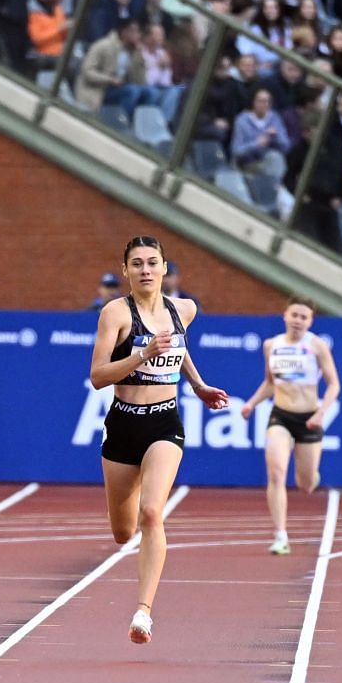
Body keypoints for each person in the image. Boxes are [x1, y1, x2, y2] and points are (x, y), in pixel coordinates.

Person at [89, 236, 230, 644]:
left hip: (164, 423)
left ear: (165, 268)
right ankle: (131, 521)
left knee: (153, 512)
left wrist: (199, 385)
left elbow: (178, 348)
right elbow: (98, 376)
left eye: (153, 263)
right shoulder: (115, 314)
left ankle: (143, 613)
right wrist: (141, 354)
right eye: (137, 264)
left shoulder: (183, 309)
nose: (146, 270)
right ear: (127, 271)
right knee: (123, 531)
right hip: (123, 424)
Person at [239, 297, 341, 556]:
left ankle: (310, 475)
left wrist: (321, 413)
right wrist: (251, 403)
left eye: (304, 317)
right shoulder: (271, 345)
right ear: (285, 315)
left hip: (308, 419)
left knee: (306, 484)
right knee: (276, 473)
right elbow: (270, 383)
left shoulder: (317, 346)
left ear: (310, 322)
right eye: (294, 315)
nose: (298, 320)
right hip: (281, 416)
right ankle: (280, 535)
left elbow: (334, 385)